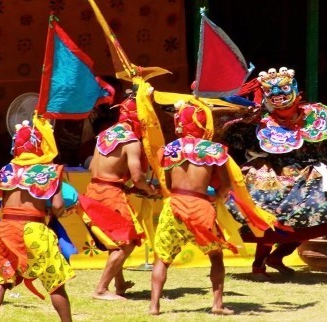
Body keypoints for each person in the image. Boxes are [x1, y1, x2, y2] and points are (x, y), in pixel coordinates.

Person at [149, 102, 236, 315]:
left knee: (162, 258)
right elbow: (226, 185)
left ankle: (154, 306)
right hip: (200, 206)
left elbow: (168, 185)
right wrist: (216, 198)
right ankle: (217, 304)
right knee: (215, 256)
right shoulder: (214, 150)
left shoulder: (169, 149)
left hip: (175, 204)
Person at [0, 118, 75, 322]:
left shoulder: (5, 172)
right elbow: (59, 205)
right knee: (55, 283)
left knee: (1, 279)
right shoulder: (51, 170)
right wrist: (54, 215)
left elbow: (3, 203)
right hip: (33, 229)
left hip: (6, 228)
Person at [78, 90, 156, 300]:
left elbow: (93, 167)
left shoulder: (104, 134)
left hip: (94, 189)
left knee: (116, 240)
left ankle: (119, 283)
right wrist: (148, 190)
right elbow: (138, 177)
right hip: (109, 194)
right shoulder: (131, 142)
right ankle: (101, 289)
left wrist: (122, 185)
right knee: (126, 242)